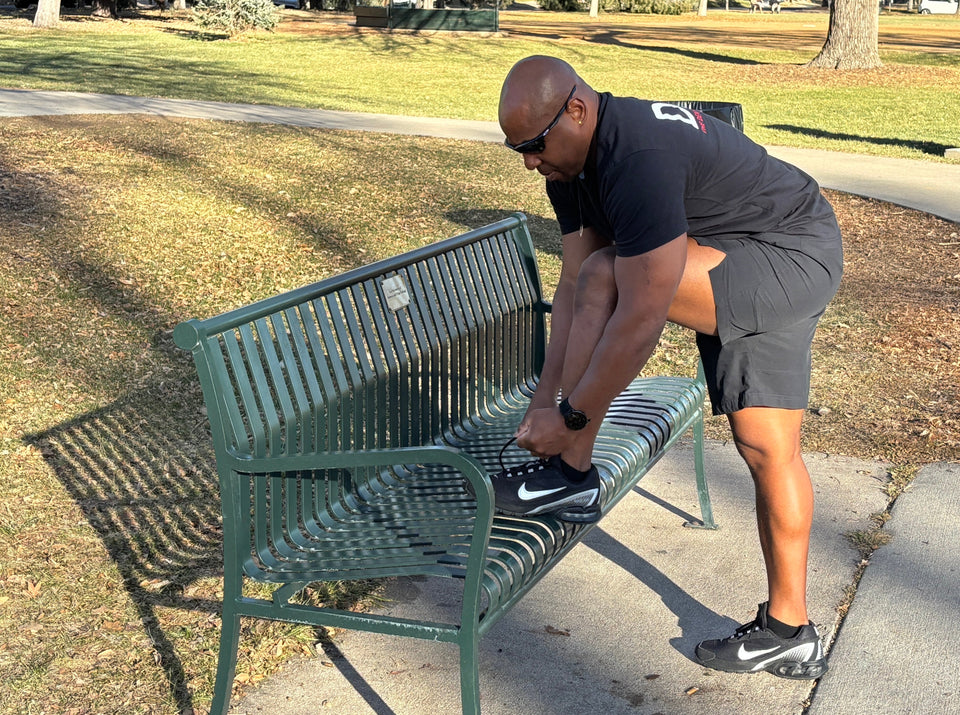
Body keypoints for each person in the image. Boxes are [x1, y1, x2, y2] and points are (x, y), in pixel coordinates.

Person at [495, 56, 842, 680]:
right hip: (733, 251)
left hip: (789, 252)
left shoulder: (636, 157)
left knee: (614, 275)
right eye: (517, 149)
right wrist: (544, 401)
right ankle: (791, 630)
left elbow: (640, 315)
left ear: (577, 109)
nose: (528, 162)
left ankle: (572, 468)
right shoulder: (570, 165)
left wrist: (570, 418)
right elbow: (571, 287)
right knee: (765, 448)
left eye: (533, 145)